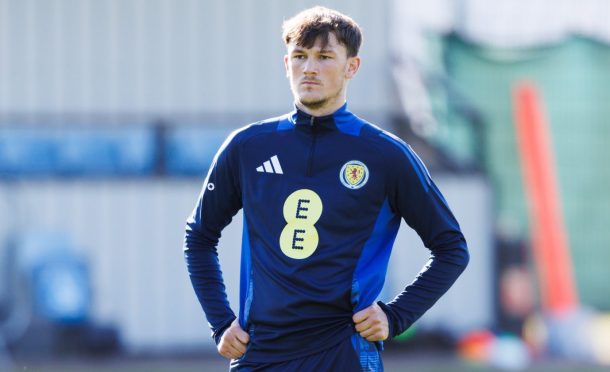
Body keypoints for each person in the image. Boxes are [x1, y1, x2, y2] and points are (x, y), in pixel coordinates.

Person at [184, 6, 469, 371]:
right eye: (300, 57)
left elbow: (451, 248)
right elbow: (199, 235)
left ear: (352, 66)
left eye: (324, 57)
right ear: (287, 64)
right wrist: (221, 322)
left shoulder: (385, 155)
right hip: (262, 355)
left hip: (345, 353)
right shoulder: (247, 147)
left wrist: (396, 316)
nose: (310, 68)